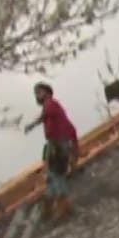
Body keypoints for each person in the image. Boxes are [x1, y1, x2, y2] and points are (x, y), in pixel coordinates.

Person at [24, 82, 78, 221]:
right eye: (36, 94)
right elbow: (69, 127)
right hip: (54, 144)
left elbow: (44, 115)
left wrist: (32, 125)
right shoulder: (53, 108)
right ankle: (50, 208)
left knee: (56, 175)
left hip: (58, 144)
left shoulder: (50, 103)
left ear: (47, 92)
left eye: (39, 92)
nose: (37, 96)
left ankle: (63, 207)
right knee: (50, 176)